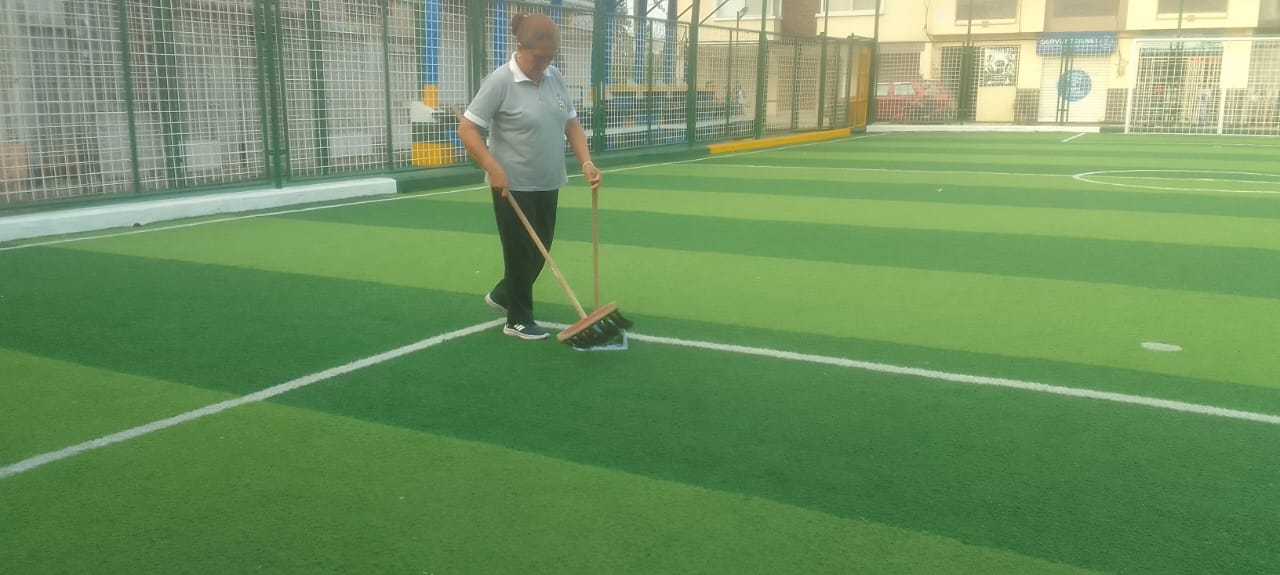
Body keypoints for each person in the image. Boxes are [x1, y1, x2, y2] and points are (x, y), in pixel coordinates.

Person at [457, 12, 602, 341]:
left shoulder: (554, 77)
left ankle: (503, 295)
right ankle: (518, 319)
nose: (544, 64)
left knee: (540, 251)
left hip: (549, 180)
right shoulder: (500, 82)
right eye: (539, 57)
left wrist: (587, 163)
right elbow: (467, 129)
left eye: (551, 57)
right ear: (520, 47)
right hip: (512, 184)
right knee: (520, 251)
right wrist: (493, 168)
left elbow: (571, 123)